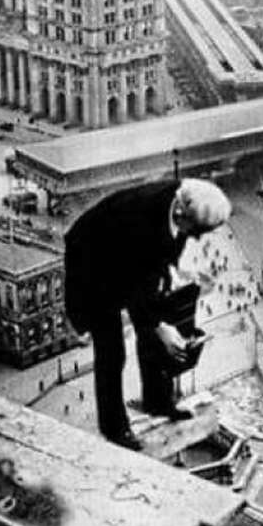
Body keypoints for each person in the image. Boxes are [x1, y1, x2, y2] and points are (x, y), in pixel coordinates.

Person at [64, 177, 231, 450]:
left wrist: (170, 272)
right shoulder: (142, 222)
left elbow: (170, 244)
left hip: (128, 258)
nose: (199, 237)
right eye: (198, 230)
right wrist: (158, 325)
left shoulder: (181, 199)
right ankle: (114, 427)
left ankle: (157, 402)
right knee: (111, 350)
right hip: (93, 264)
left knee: (153, 330)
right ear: (180, 213)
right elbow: (134, 284)